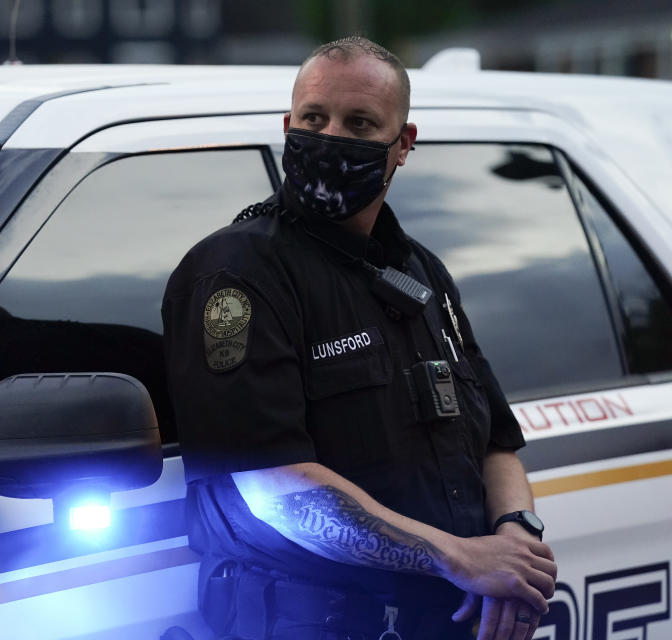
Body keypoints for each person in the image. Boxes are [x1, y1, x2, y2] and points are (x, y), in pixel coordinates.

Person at [161, 36, 557, 640]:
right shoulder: (236, 276)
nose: (332, 137)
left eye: (361, 122)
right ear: (288, 123)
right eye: (315, 118)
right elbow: (275, 486)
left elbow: (496, 442)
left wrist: (515, 540)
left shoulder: (422, 273)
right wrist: (458, 557)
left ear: (403, 144)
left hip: (449, 618)